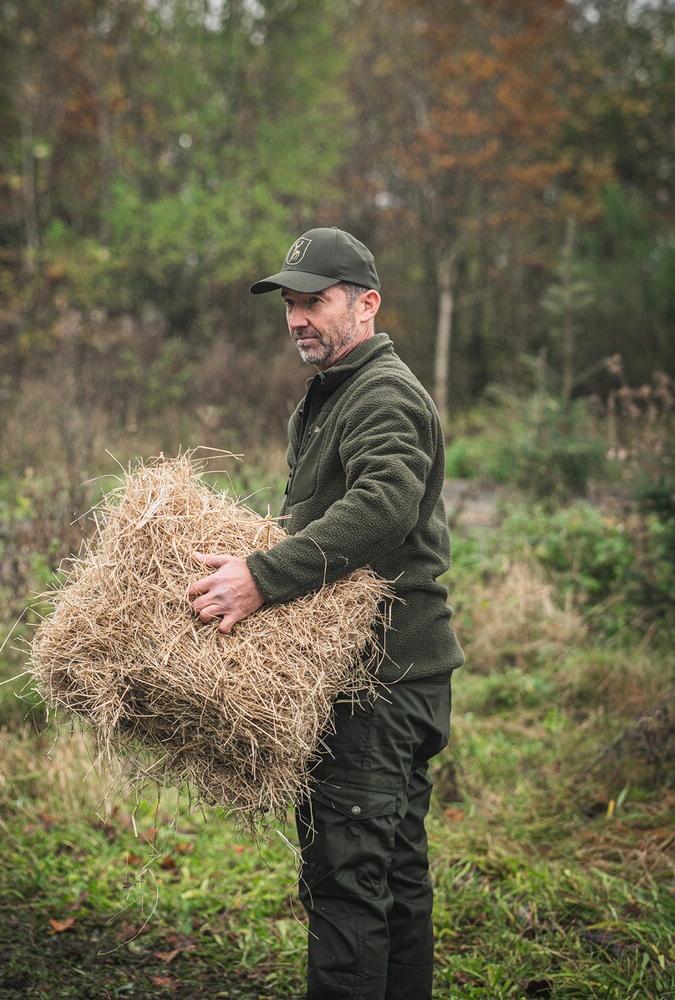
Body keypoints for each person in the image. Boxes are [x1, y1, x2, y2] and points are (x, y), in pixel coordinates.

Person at [188, 227, 465, 1000]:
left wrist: (261, 578)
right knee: (391, 877)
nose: (297, 318)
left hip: (381, 684)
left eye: (314, 301)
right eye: (290, 304)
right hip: (389, 678)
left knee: (346, 884)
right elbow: (327, 518)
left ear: (367, 303)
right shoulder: (332, 395)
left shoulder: (383, 394)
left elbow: (383, 506)